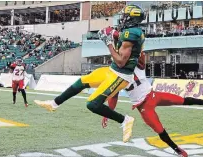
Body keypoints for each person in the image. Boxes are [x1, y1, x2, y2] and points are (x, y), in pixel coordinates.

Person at [34, 4, 146, 143]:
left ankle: (125, 120)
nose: (122, 18)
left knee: (92, 104)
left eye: (125, 16)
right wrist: (114, 37)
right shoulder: (133, 33)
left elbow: (121, 62)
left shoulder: (132, 34)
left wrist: (109, 43)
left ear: (131, 18)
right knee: (82, 81)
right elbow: (133, 56)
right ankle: (54, 104)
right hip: (112, 70)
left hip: (120, 75)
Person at [102, 52, 203, 157]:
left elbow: (141, 54)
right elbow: (114, 96)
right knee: (159, 130)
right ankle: (177, 149)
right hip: (143, 106)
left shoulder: (136, 64)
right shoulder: (116, 77)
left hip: (153, 95)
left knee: (182, 100)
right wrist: (107, 113)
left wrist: (134, 47)